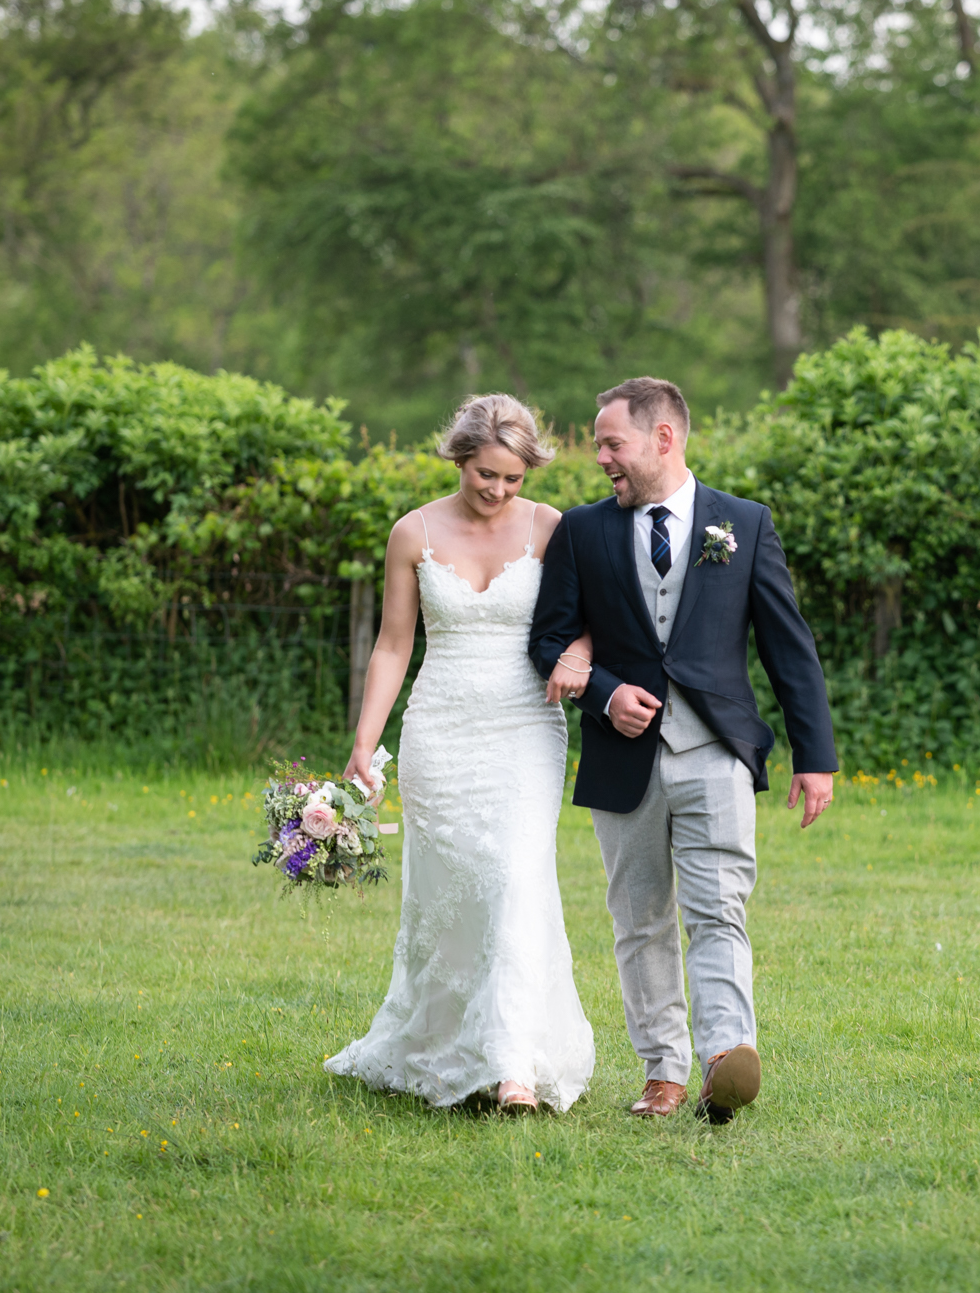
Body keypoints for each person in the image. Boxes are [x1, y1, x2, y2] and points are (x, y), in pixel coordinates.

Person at [529, 376, 838, 1124]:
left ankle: (726, 1058)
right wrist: (604, 690)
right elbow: (546, 637)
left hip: (717, 749)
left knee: (719, 908)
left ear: (663, 437)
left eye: (612, 443)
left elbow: (788, 645)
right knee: (639, 918)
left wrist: (814, 753)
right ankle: (662, 1072)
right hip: (621, 757)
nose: (601, 457)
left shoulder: (745, 522)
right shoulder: (583, 529)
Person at [328, 394, 596, 1114]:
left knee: (515, 873)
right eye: (486, 474)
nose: (499, 490)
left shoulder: (552, 528)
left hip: (525, 725)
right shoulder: (412, 532)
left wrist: (578, 650)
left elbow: (593, 620)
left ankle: (514, 1065)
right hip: (441, 728)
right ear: (459, 458)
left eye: (512, 478)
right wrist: (365, 738)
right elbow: (393, 643)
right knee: (458, 890)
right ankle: (453, 1043)